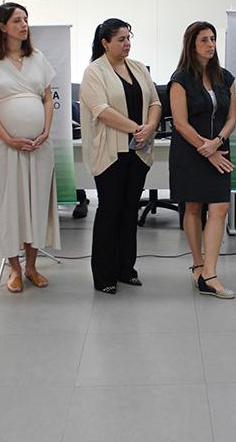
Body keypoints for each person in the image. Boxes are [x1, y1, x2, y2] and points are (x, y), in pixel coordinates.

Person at [0, 2, 60, 293]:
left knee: (35, 203)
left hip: (38, 145)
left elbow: (47, 98)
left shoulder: (37, 58)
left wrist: (45, 130)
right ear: (2, 26)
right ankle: (15, 269)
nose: (24, 25)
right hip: (4, 146)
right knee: (8, 204)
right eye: (18, 20)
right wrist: (8, 137)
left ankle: (32, 267)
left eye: (26, 20)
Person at [80, 19, 161, 294]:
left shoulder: (137, 67)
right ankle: (104, 276)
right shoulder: (94, 72)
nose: (127, 44)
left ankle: (127, 269)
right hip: (110, 154)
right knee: (109, 212)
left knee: (129, 212)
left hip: (137, 153)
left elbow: (155, 101)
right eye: (121, 39)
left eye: (128, 38)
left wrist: (150, 126)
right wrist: (137, 128)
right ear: (105, 42)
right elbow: (101, 110)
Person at [169, 22, 236, 299]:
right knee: (193, 208)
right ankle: (198, 265)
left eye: (213, 39)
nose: (211, 45)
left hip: (219, 149)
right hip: (190, 152)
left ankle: (210, 273)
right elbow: (181, 123)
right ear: (191, 46)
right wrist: (206, 150)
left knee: (220, 207)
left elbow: (232, 117)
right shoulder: (180, 79)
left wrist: (217, 142)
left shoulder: (225, 77)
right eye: (204, 41)